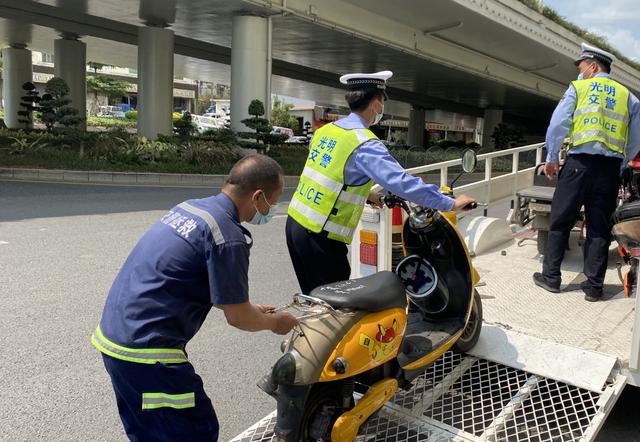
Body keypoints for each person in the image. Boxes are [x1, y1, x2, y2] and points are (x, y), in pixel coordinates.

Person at [91, 155, 298, 441]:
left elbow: (198, 281)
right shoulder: (228, 236)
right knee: (195, 430)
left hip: (114, 338)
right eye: (273, 202)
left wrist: (253, 308)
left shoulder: (189, 209)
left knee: (150, 432)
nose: (271, 210)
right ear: (258, 196)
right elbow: (237, 317)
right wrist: (276, 323)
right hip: (148, 352)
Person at [286, 70, 476, 294]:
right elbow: (400, 182)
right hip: (320, 238)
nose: (382, 108)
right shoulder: (364, 143)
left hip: (295, 225)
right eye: (383, 101)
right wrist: (448, 203)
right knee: (333, 308)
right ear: (376, 103)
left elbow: (332, 171)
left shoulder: (326, 131)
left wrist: (368, 194)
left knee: (314, 300)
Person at [533, 43, 640, 302]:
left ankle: (552, 278)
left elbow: (558, 124)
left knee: (561, 221)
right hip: (609, 170)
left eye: (581, 66)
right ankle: (593, 287)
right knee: (599, 228)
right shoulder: (628, 97)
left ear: (593, 65)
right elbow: (636, 139)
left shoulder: (578, 88)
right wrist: (622, 163)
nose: (580, 72)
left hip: (578, 165)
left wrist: (551, 158)